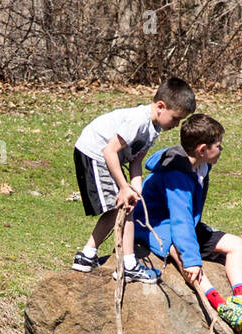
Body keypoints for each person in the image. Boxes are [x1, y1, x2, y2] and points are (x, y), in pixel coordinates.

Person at [135, 113, 242, 332]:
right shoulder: (177, 177)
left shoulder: (200, 165)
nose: (221, 150)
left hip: (182, 222)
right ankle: (218, 302)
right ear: (203, 149)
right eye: (219, 146)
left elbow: (186, 219)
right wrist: (192, 259)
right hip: (154, 225)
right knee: (181, 254)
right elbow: (180, 220)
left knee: (236, 244)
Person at [71, 76, 195, 282]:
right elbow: (109, 151)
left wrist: (136, 189)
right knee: (121, 206)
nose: (176, 124)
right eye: (175, 118)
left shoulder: (153, 129)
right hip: (94, 153)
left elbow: (135, 161)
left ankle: (88, 255)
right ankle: (126, 264)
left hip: (110, 157)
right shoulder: (138, 120)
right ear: (160, 107)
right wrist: (123, 187)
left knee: (126, 204)